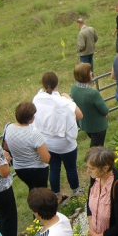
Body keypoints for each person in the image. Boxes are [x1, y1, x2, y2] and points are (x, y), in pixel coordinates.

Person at [33, 72, 83, 202]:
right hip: (65, 142)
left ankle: (56, 195)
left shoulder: (36, 99)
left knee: (54, 169)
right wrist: (69, 99)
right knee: (71, 168)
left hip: (47, 142)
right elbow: (79, 115)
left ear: (43, 85)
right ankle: (76, 191)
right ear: (57, 84)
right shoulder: (63, 101)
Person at [3, 102, 50, 192]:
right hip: (37, 169)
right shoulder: (34, 134)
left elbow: (7, 146)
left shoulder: (8, 127)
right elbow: (46, 159)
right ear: (30, 119)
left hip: (19, 168)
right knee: (41, 193)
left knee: (32, 189)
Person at [71, 63, 109, 147]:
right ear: (86, 75)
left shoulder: (74, 88)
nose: (92, 72)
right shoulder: (93, 93)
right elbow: (105, 110)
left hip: (85, 125)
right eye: (90, 72)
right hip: (98, 127)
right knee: (95, 151)